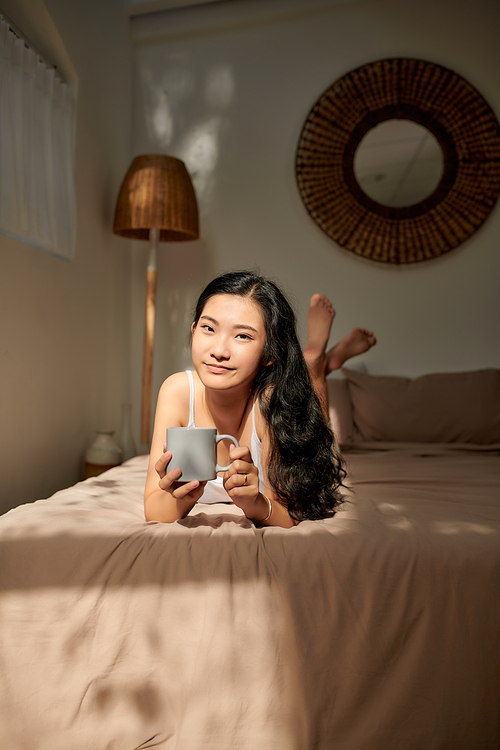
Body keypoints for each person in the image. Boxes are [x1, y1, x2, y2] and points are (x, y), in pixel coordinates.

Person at [144, 271, 376, 528]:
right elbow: (154, 508)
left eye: (242, 335)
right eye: (208, 328)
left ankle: (316, 360)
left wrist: (255, 504)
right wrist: (184, 499)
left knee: (318, 441)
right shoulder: (176, 391)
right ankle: (319, 362)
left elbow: (295, 511)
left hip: (294, 425)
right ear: (193, 331)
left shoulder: (271, 400)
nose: (218, 351)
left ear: (269, 355)